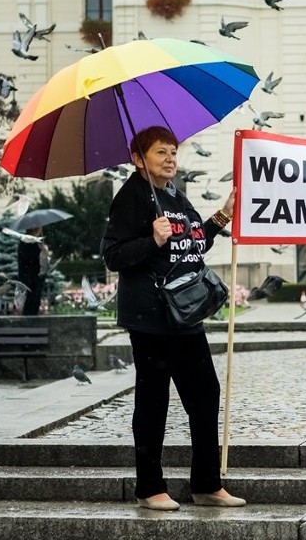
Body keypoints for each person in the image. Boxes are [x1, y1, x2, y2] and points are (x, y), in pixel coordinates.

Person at [101, 126, 244, 511]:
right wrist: (152, 240)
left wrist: (222, 215)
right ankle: (149, 488)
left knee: (205, 394)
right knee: (154, 400)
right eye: (161, 152)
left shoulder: (174, 196)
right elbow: (113, 256)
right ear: (137, 158)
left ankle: (206, 485)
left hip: (183, 314)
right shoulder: (130, 197)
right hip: (150, 317)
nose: (170, 159)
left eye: (173, 152)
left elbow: (195, 241)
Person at [17, 227, 49, 315]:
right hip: (31, 278)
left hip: (33, 277)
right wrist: (42, 251)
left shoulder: (32, 242)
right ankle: (29, 323)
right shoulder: (28, 242)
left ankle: (31, 320)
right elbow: (32, 258)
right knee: (31, 302)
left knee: (34, 301)